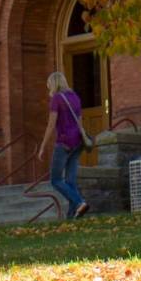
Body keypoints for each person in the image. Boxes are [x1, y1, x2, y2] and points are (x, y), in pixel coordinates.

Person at [45, 70, 90, 220]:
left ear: (53, 84)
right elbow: (80, 121)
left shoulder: (57, 99)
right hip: (77, 141)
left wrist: (42, 146)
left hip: (64, 142)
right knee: (70, 181)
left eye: (49, 85)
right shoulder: (75, 97)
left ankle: (79, 202)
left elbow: (51, 125)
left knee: (56, 179)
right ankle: (72, 215)